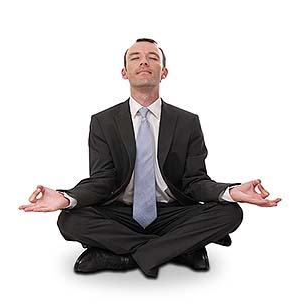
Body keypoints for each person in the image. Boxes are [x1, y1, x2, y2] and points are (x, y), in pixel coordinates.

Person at [19, 38, 281, 279]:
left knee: (230, 213)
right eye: (135, 57)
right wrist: (66, 197)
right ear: (124, 72)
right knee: (70, 219)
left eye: (152, 57)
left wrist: (232, 191)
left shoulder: (187, 122)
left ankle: (120, 256)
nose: (143, 61)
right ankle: (181, 249)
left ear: (163, 72)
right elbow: (102, 181)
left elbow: (195, 181)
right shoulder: (103, 122)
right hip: (122, 212)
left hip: (172, 211)